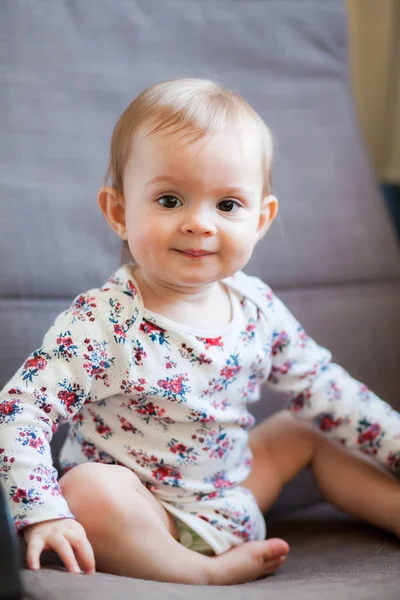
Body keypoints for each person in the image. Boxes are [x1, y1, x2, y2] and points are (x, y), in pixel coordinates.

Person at [0, 78, 399, 586]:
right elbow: (21, 408)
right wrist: (41, 509)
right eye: (170, 200)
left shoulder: (258, 308)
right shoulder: (103, 322)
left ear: (261, 218)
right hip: (148, 518)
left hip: (235, 497)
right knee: (86, 490)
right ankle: (201, 573)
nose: (199, 223)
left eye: (228, 205)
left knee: (307, 429)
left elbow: (328, 389)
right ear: (120, 212)